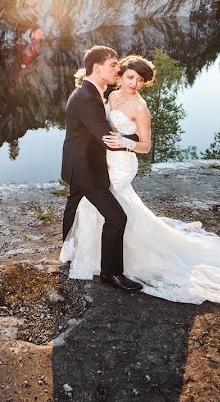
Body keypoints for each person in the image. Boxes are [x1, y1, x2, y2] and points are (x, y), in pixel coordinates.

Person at [61, 54, 220, 307]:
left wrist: (126, 142)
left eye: (139, 80)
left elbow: (146, 146)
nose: (133, 84)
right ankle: (90, 254)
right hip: (101, 163)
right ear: (121, 75)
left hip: (121, 163)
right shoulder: (110, 96)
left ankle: (107, 265)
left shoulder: (140, 107)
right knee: (102, 207)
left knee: (110, 208)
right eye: (129, 76)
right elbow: (95, 126)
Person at [61, 46, 144, 291]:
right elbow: (107, 138)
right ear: (97, 68)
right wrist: (136, 141)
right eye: (113, 64)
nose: (118, 69)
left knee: (73, 205)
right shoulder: (88, 98)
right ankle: (112, 273)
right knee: (117, 217)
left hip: (77, 163)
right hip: (87, 169)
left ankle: (68, 251)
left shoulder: (89, 91)